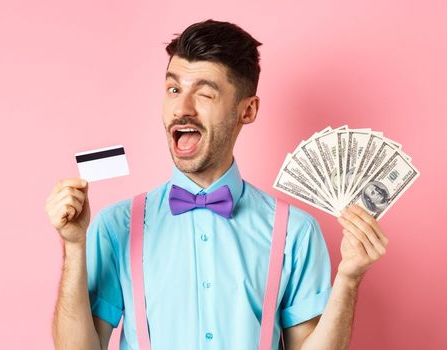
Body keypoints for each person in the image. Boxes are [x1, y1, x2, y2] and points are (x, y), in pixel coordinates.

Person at [45, 19, 389, 350]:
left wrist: (348, 279)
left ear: (248, 110)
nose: (182, 108)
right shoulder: (115, 225)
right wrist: (74, 247)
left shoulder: (296, 232)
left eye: (205, 94)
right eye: (173, 88)